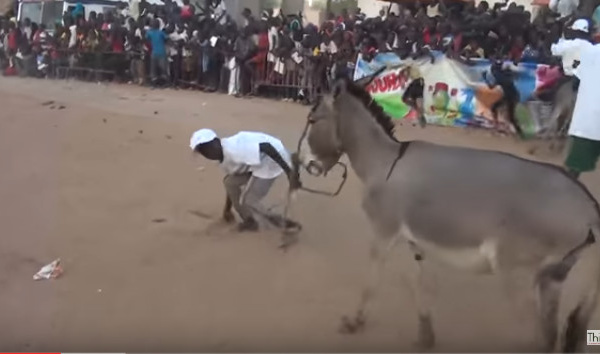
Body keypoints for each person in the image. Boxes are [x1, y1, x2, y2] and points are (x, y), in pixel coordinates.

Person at [190, 129, 300, 231]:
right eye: (203, 151)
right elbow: (231, 184)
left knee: (250, 200)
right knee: (229, 182)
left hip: (272, 160)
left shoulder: (235, 149)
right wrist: (227, 210)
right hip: (256, 162)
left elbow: (267, 147)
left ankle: (285, 223)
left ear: (216, 141)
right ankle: (249, 220)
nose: (208, 153)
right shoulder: (224, 159)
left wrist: (290, 173)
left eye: (208, 147)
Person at [564, 43, 600, 179]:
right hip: (591, 120)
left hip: (588, 119)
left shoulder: (590, 51)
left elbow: (575, 81)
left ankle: (563, 192)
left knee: (575, 167)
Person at [145, 18, 168, 86]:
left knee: (155, 68)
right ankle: (162, 82)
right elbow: (167, 39)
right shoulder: (161, 32)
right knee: (162, 68)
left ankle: (156, 82)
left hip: (155, 52)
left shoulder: (149, 32)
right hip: (161, 52)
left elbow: (146, 39)